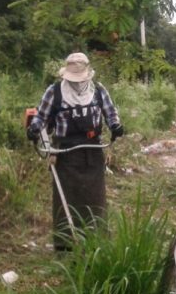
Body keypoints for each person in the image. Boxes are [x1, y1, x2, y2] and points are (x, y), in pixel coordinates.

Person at [26, 52, 124, 251]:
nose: (77, 83)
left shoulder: (98, 91)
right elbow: (41, 116)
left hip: (92, 151)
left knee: (94, 197)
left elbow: (110, 112)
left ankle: (96, 240)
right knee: (66, 200)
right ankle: (65, 244)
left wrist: (115, 126)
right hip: (65, 153)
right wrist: (34, 129)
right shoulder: (55, 92)